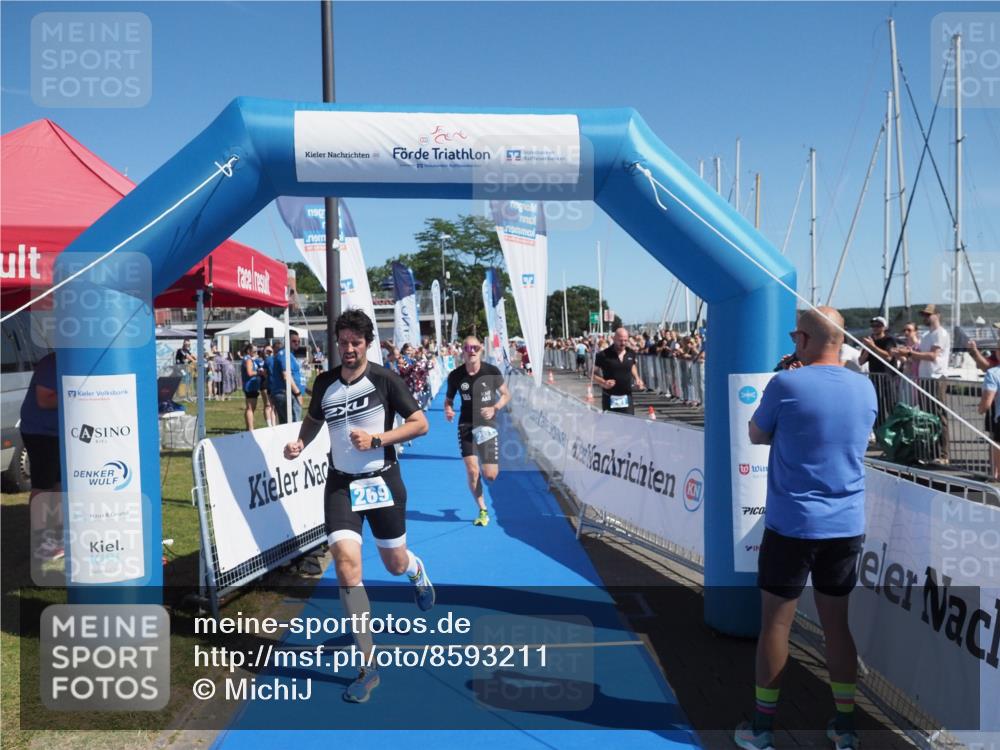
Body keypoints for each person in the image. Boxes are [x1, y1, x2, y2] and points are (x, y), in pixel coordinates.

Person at [735, 306, 876, 750]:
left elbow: (757, 434)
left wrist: (786, 381)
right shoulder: (865, 387)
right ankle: (846, 727)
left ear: (804, 340)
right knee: (837, 627)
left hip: (793, 524)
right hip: (846, 525)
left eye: (796, 335)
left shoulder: (786, 383)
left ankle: (762, 729)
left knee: (776, 626)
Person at [283, 309, 433, 703]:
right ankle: (369, 667)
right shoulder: (325, 382)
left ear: (367, 343)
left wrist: (379, 439)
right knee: (347, 566)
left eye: (356, 343)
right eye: (343, 342)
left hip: (382, 482)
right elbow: (315, 419)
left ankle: (416, 571)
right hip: (340, 485)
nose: (349, 349)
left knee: (394, 564)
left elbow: (420, 423)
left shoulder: (385, 380)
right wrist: (301, 442)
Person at [445, 335, 510, 527]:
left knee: (490, 475)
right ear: (462, 351)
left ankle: (485, 467)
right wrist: (448, 409)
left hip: (487, 426)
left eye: (475, 348)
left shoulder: (491, 371)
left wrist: (495, 408)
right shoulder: (455, 375)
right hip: (465, 424)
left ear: (481, 349)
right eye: (467, 348)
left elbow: (506, 395)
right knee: (472, 471)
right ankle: (482, 509)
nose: (471, 351)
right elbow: (449, 399)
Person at [20, 352, 64, 561]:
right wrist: (76, 392)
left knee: (59, 484)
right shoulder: (51, 363)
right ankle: (41, 541)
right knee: (43, 486)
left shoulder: (72, 359)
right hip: (40, 431)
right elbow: (44, 400)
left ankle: (55, 537)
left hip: (59, 432)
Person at [895, 304, 952, 465]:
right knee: (929, 417)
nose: (925, 318)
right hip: (926, 378)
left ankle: (943, 454)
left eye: (928, 315)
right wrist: (906, 356)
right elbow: (921, 356)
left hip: (936, 377)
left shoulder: (940, 333)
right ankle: (932, 452)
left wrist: (910, 353)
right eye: (924, 315)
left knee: (939, 415)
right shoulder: (928, 335)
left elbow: (933, 356)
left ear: (937, 315)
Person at [592, 327, 645, 415]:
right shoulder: (603, 355)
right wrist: (603, 382)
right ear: (614, 339)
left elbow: (632, 365)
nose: (623, 343)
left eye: (625, 340)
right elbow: (591, 373)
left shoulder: (631, 353)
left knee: (629, 425)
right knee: (611, 427)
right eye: (620, 340)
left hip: (626, 397)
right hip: (610, 397)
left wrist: (637, 378)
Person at [858, 316, 897, 429]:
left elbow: (888, 356)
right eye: (873, 325)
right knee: (877, 406)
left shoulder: (889, 340)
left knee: (891, 405)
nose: (875, 328)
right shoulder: (870, 342)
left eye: (878, 325)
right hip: (875, 378)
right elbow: (861, 361)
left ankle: (894, 431)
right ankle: (880, 433)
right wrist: (867, 349)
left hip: (888, 377)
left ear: (884, 327)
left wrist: (873, 347)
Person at [271, 330, 304, 424]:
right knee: (293, 425)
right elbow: (286, 376)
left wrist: (307, 390)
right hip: (287, 394)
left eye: (298, 341)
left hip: (290, 394)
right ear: (287, 341)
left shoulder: (291, 355)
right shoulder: (284, 354)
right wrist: (298, 394)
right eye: (294, 341)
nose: (297, 343)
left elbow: (295, 376)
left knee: (287, 425)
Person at [978, 364, 1000, 481]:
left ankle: (996, 475)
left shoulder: (994, 373)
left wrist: (980, 409)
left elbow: (987, 402)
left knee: (997, 444)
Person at [241, 343, 265, 431]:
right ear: (249, 351)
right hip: (249, 386)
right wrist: (260, 373)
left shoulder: (251, 359)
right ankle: (250, 429)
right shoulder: (248, 359)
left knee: (251, 408)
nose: (256, 353)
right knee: (250, 408)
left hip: (253, 386)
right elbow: (250, 372)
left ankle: (249, 428)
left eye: (257, 351)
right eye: (254, 351)